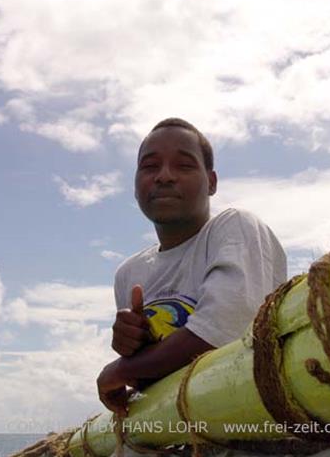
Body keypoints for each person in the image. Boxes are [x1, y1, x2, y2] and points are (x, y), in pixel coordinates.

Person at [97, 118, 287, 455]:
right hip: (171, 435)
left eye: (184, 165)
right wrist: (132, 347)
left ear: (211, 182)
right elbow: (150, 383)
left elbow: (225, 331)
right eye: (150, 166)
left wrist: (122, 368)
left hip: (249, 434)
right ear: (135, 184)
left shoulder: (234, 228)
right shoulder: (129, 273)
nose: (165, 175)